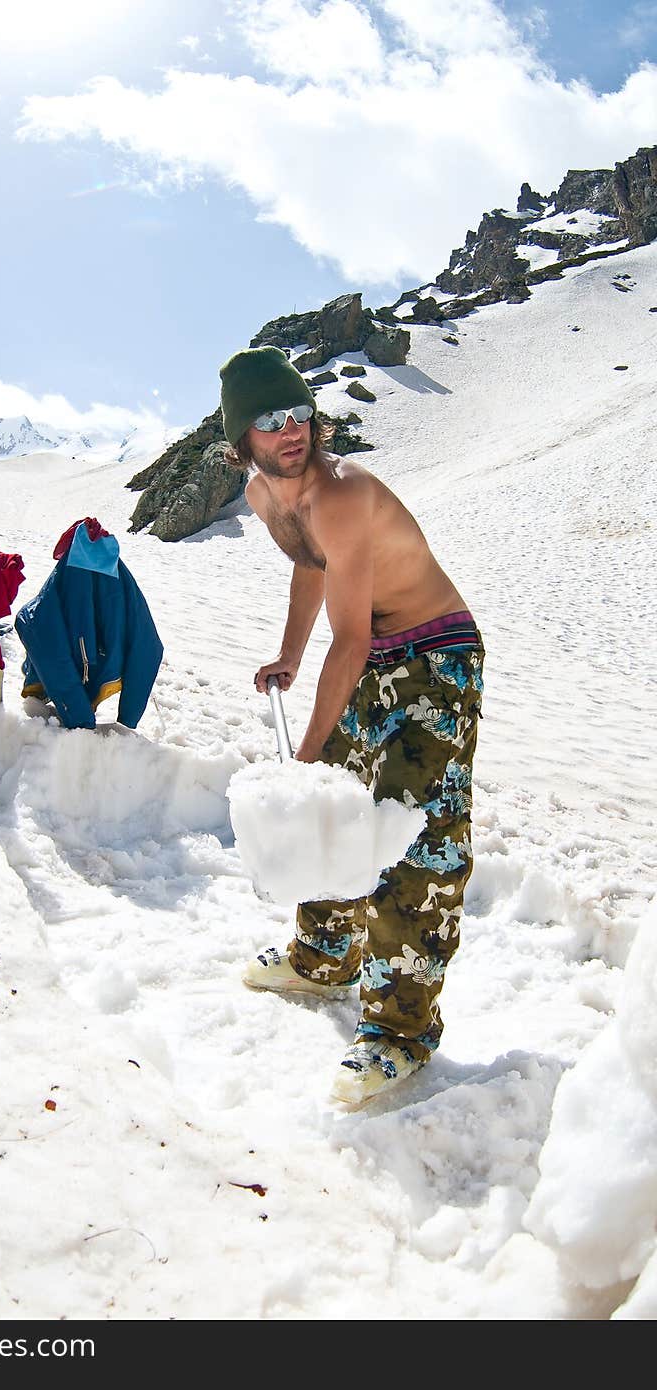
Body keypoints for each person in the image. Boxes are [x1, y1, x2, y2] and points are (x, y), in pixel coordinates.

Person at [220, 345, 484, 1109]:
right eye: (270, 421)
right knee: (336, 808)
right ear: (245, 441)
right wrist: (288, 654)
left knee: (414, 832)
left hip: (433, 654)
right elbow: (312, 566)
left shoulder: (340, 492)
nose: (291, 429)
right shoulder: (265, 495)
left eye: (299, 411)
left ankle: (401, 1029)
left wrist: (300, 759)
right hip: (365, 654)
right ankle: (326, 954)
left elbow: (357, 636)